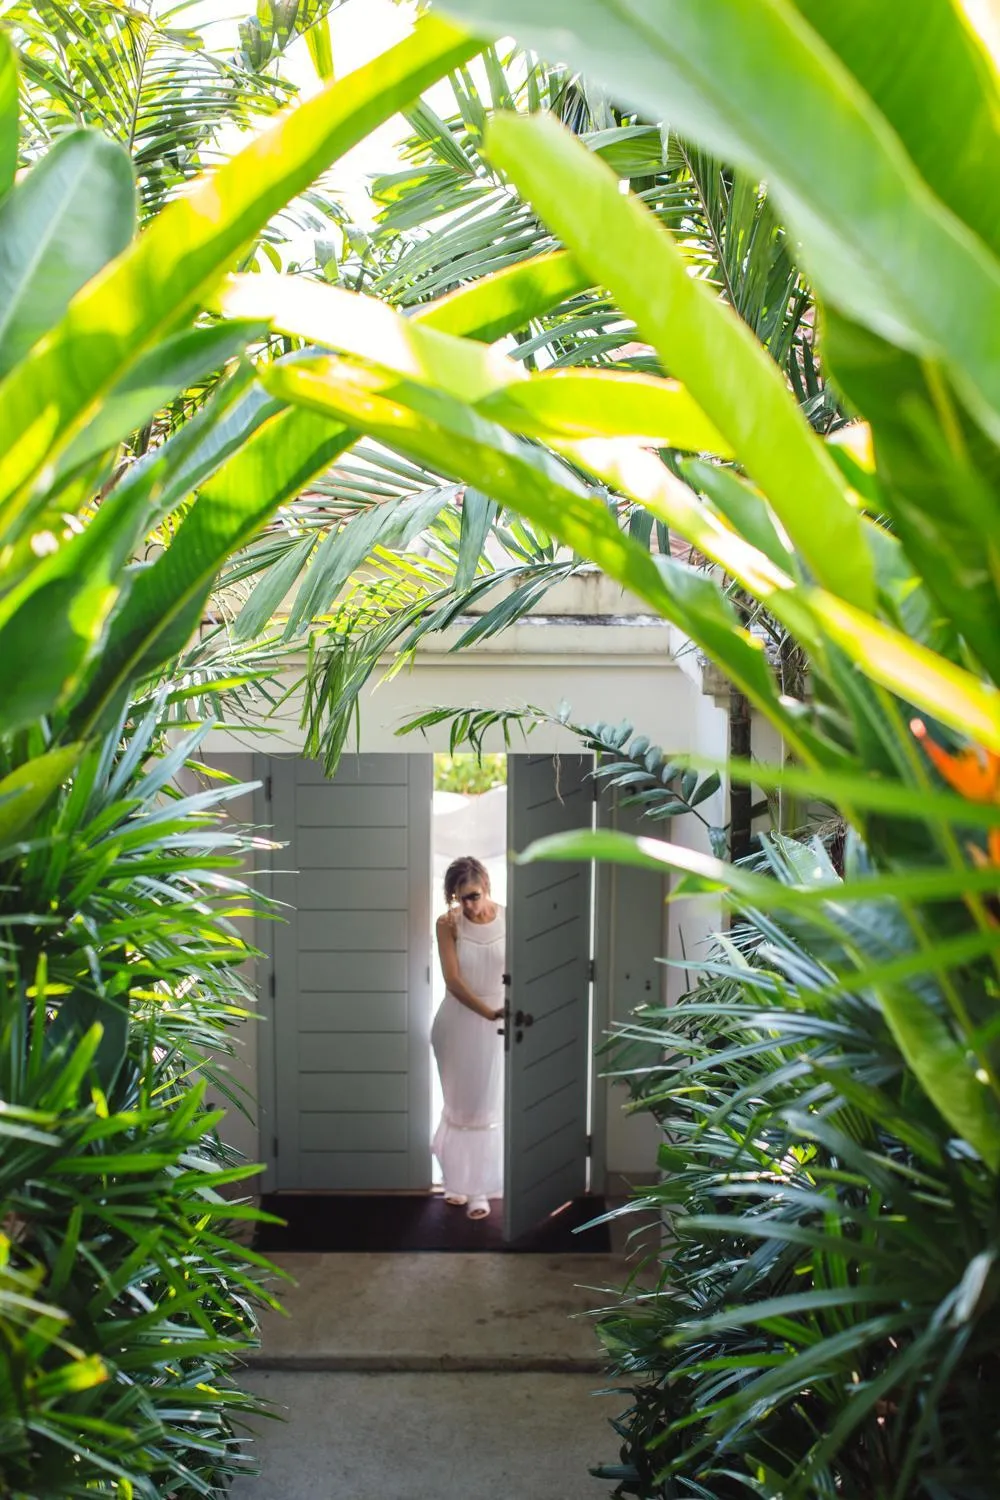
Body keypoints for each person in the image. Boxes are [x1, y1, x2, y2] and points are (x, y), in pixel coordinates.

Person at [431, 855, 505, 1221]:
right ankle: (456, 1182)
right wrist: (488, 1012)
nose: (469, 905)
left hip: (500, 1024)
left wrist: (502, 1012)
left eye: (474, 895)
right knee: (460, 1106)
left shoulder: (511, 918)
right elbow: (453, 981)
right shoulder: (448, 924)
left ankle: (481, 1190)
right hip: (459, 1023)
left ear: (486, 886)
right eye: (461, 898)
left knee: (487, 1107)